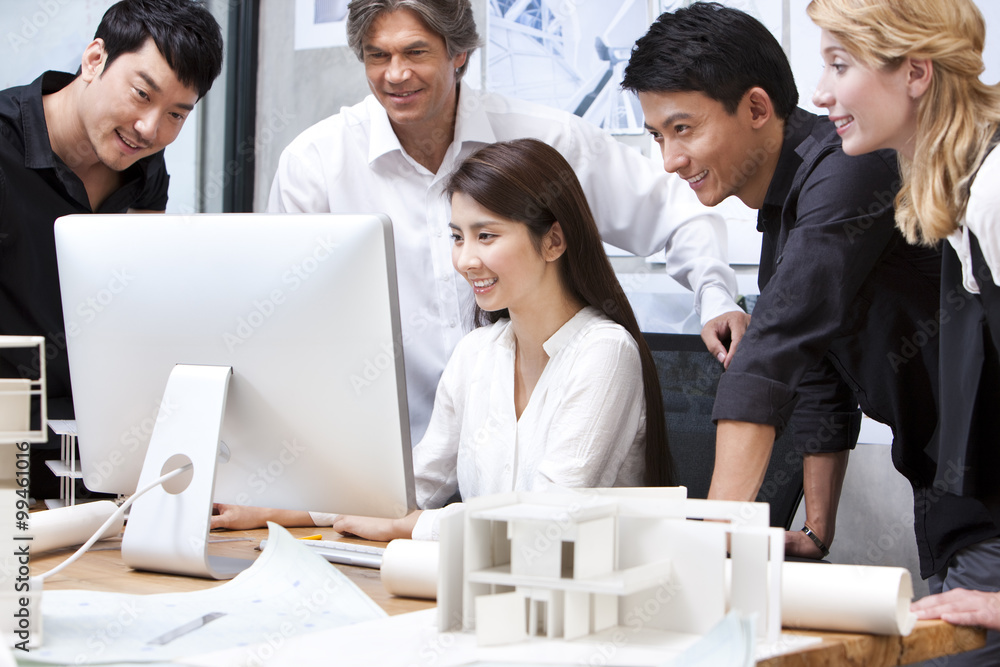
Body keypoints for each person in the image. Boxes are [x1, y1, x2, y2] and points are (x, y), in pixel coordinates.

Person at [264, 0, 745, 451]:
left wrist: (715, 296)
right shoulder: (316, 165)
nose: (396, 74)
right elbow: (288, 323)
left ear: (460, 53)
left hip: (534, 456)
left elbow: (678, 211)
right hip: (387, 458)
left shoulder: (545, 139)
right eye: (377, 56)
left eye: (415, 52)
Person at [620, 0, 996, 570]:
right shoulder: (792, 204)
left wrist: (705, 553)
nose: (670, 160)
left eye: (683, 129)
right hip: (948, 483)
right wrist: (817, 530)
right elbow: (817, 372)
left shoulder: (856, 166)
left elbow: (775, 348)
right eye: (656, 136)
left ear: (755, 107)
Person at [227, 138, 673, 541]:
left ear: (553, 240)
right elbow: (416, 484)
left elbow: (548, 520)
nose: (465, 259)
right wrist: (282, 509)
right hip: (483, 588)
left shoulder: (604, 353)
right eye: (457, 237)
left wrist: (420, 523)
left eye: (486, 235)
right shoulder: (475, 354)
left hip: (574, 606)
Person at [808, 0, 1000, 662]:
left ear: (916, 71)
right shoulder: (962, 186)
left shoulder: (997, 189)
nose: (821, 92)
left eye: (840, 63)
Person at [0, 0, 224, 499]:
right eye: (142, 94)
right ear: (95, 58)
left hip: (90, 447)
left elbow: (138, 307)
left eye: (175, 114)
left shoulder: (146, 170)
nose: (149, 128)